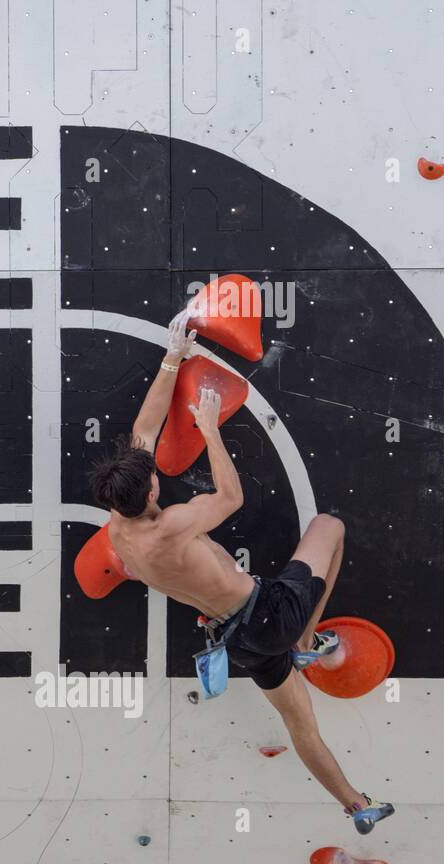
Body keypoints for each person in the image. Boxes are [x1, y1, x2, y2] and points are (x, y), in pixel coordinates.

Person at [87, 310, 394, 834]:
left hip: (236, 639)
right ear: (153, 492)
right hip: (268, 614)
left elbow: (143, 430)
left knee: (299, 723)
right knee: (329, 528)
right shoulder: (172, 526)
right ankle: (305, 634)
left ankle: (356, 805)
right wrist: (209, 429)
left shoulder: (121, 524)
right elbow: (230, 497)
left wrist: (172, 355)